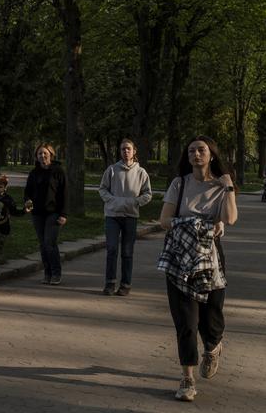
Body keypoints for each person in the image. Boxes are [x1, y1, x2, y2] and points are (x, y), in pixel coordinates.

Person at [158, 136, 238, 402]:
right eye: (191, 150)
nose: (196, 154)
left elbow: (230, 218)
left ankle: (213, 347)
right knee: (186, 322)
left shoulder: (220, 186)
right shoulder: (179, 184)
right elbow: (164, 220)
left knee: (211, 318)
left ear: (211, 154)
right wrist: (193, 224)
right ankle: (187, 378)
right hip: (180, 258)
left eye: (201, 150)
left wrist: (228, 188)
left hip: (211, 258)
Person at [98, 138, 152, 296]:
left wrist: (135, 202)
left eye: (128, 149)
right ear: (120, 151)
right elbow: (102, 189)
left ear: (134, 151)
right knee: (112, 249)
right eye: (123, 149)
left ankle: (125, 284)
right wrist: (113, 201)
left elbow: (148, 194)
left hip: (130, 216)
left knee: (127, 252)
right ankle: (109, 283)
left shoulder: (141, 172)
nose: (125, 151)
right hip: (112, 216)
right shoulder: (112, 170)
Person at [23, 143, 67, 285]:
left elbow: (64, 194)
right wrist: (28, 203)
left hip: (53, 213)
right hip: (37, 214)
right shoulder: (34, 173)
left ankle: (56, 273)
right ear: (36, 156)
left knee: (50, 242)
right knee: (43, 244)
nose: (42, 156)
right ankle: (47, 274)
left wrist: (63, 214)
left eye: (45, 153)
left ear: (51, 154)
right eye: (40, 154)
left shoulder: (58, 171)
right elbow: (27, 192)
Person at [0, 174, 29, 276]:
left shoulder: (8, 199)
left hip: (3, 227)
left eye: (0, 187)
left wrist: (24, 211)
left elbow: (14, 211)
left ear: (5, 188)